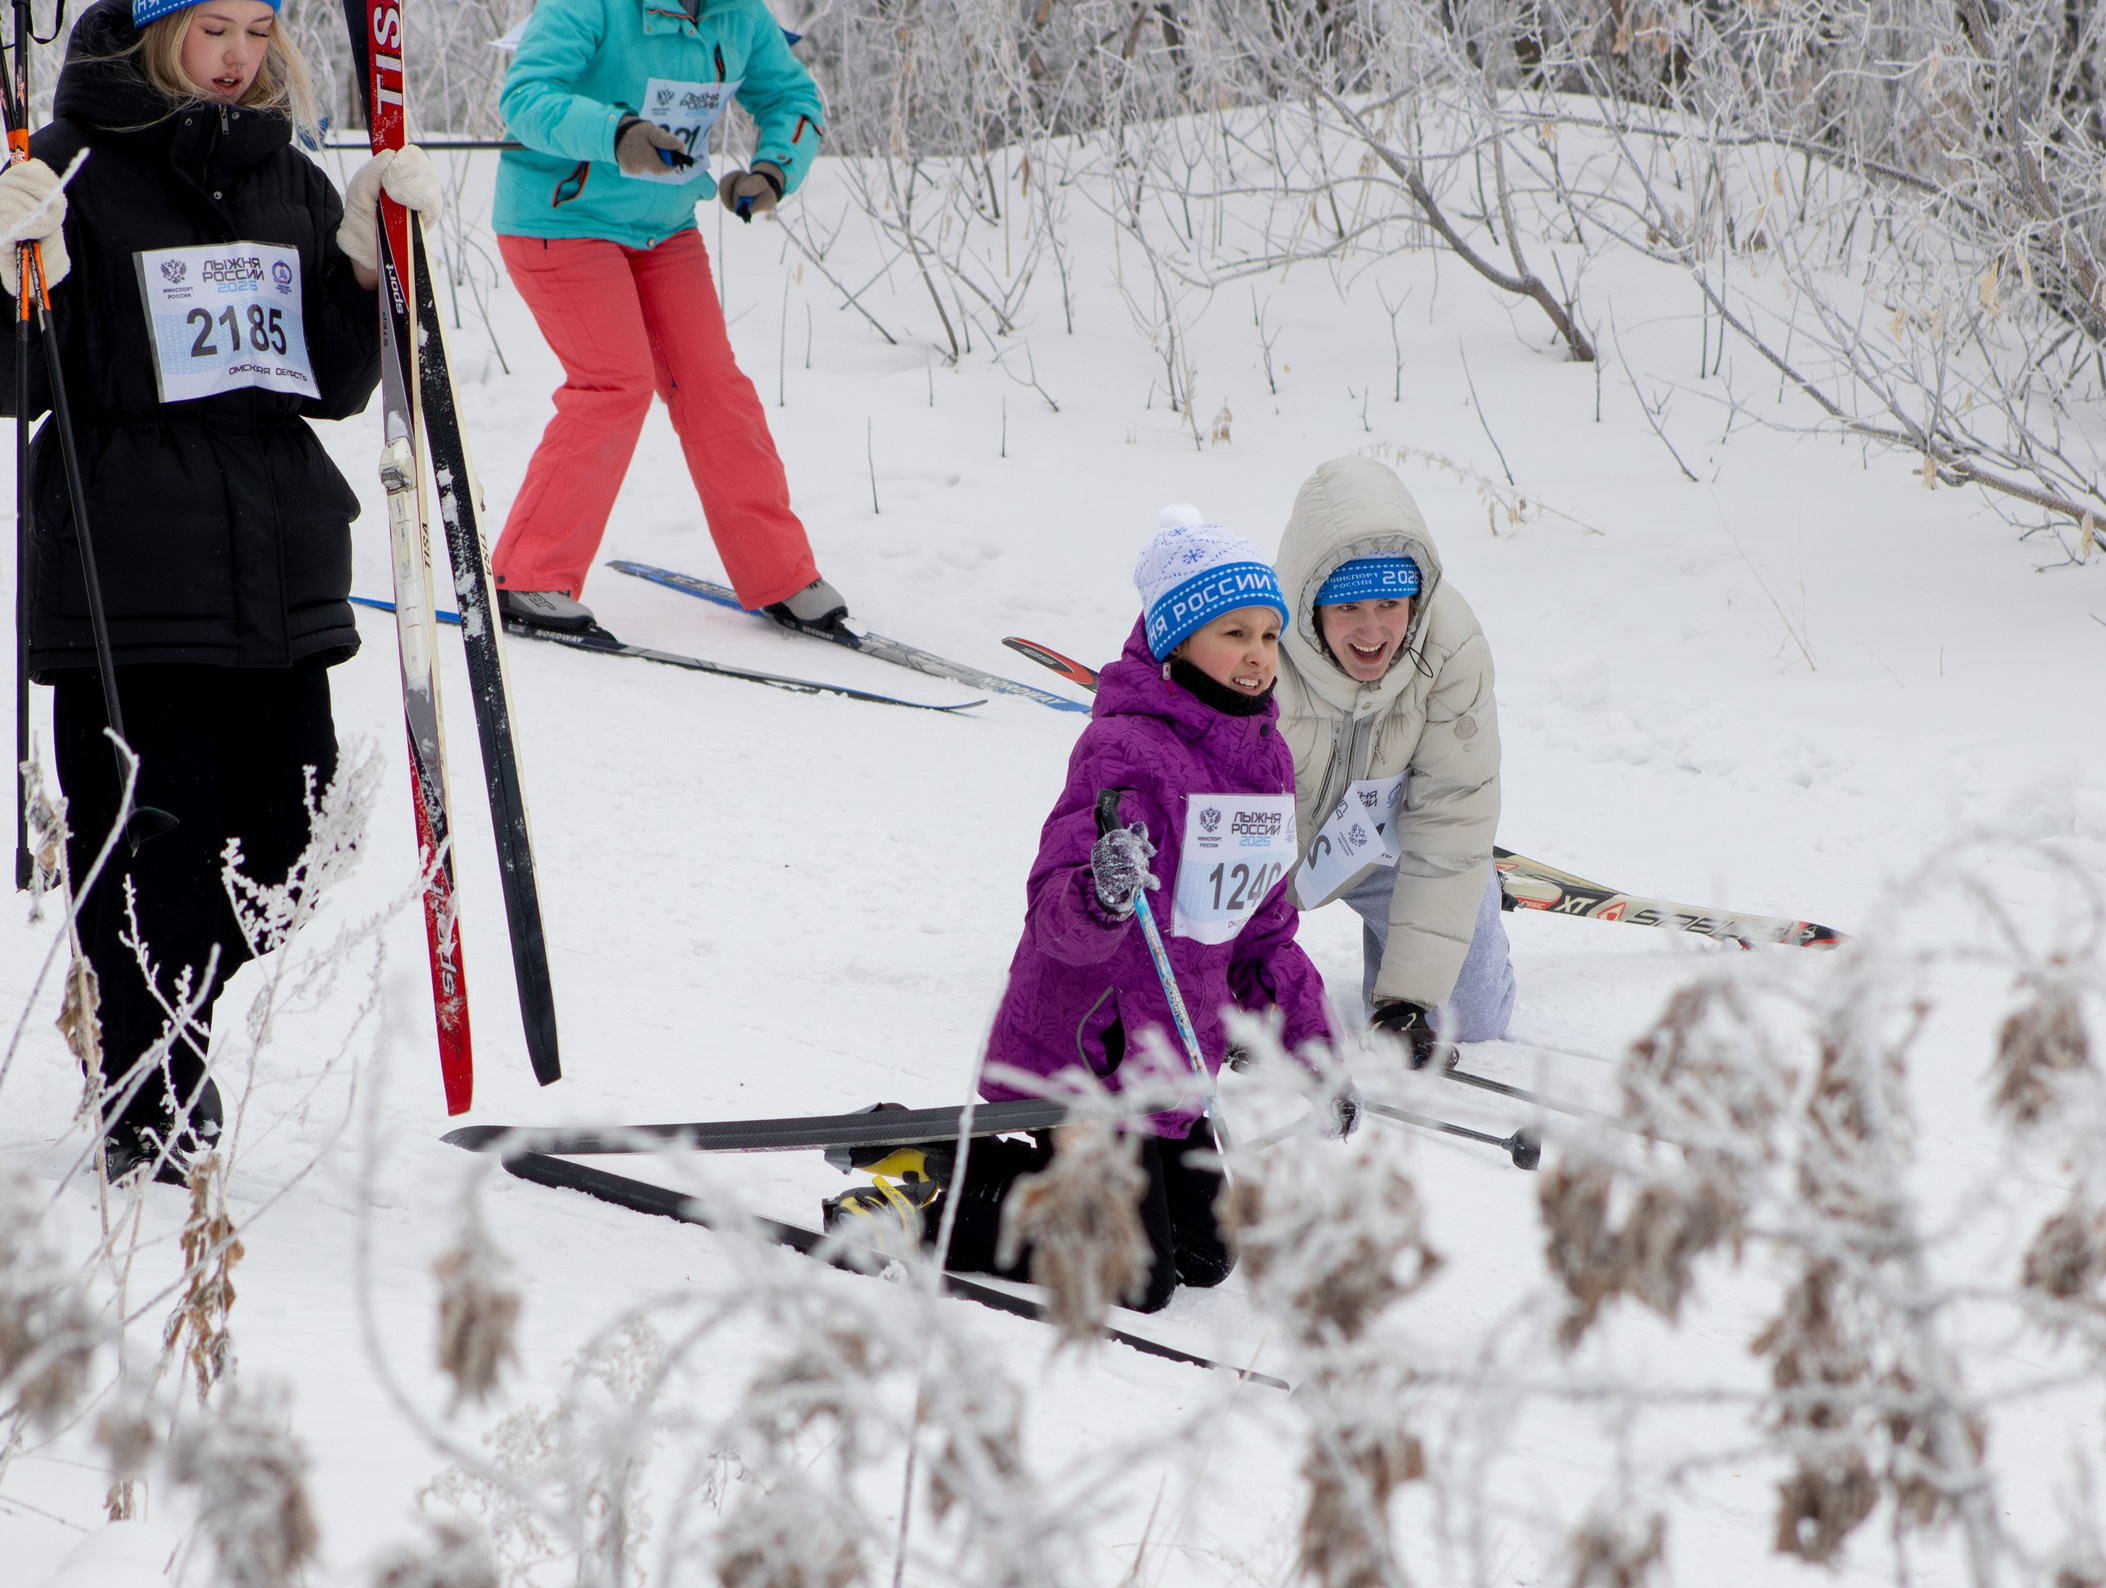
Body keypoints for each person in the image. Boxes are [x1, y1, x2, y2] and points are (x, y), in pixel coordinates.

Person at [0, 0, 430, 1179]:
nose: (238, 56)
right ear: (150, 34)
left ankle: (149, 1024)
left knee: (293, 845)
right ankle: (151, 1080)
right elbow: (17, 379)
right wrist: (10, 267)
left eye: (256, 28)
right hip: (126, 574)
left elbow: (333, 385)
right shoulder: (68, 166)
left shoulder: (284, 168)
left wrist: (358, 263)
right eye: (210, 30)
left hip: (282, 570)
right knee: (157, 857)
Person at [830, 508, 1340, 1313]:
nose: (1256, 656)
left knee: (1206, 1254)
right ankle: (929, 1205)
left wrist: (1314, 1047)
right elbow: (1053, 921)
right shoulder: (1125, 749)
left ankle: (933, 1149)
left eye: (1270, 636)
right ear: (1176, 640)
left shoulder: (1266, 764)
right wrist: (1101, 890)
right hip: (1090, 1051)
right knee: (1129, 1272)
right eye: (1233, 633)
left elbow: (1262, 930)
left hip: (1171, 1064)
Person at [490, 0, 841, 639]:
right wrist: (617, 134)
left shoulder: (740, 16)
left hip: (663, 228)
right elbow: (526, 96)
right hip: (560, 218)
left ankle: (782, 575)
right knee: (612, 384)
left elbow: (792, 98)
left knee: (714, 389)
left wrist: (772, 171)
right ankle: (531, 577)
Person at [1272, 455, 1512, 1068]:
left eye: (1390, 604)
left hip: (1378, 842)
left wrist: (1408, 998)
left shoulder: (1450, 645)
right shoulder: (1255, 645)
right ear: (1311, 604)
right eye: (1348, 607)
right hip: (1268, 855)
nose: (1373, 630)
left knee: (1471, 1017)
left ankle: (1469, 895)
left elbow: (1453, 812)